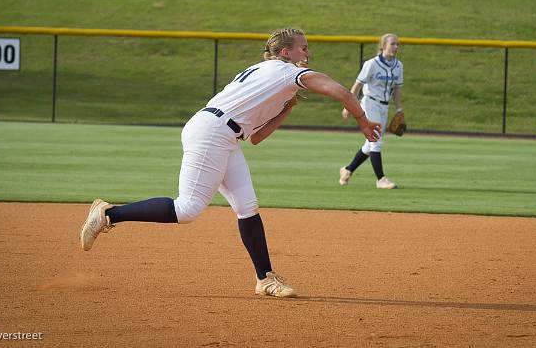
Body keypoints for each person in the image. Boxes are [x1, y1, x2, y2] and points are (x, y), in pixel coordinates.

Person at [80, 27, 381, 298]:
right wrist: (364, 122)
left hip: (224, 135)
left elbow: (256, 138)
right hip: (213, 133)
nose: (308, 53)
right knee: (187, 208)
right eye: (303, 48)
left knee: (247, 207)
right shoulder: (288, 72)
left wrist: (286, 109)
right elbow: (341, 91)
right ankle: (109, 214)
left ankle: (265, 279)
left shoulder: (268, 73)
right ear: (285, 52)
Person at [339, 33, 403, 190]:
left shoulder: (398, 66)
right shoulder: (371, 64)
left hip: (384, 106)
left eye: (397, 44)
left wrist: (399, 109)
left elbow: (396, 90)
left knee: (369, 145)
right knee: (376, 140)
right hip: (370, 104)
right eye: (393, 44)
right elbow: (357, 85)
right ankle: (381, 179)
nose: (396, 47)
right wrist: (348, 105)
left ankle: (348, 170)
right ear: (383, 46)